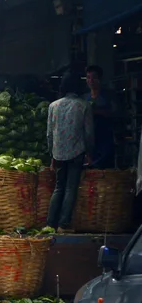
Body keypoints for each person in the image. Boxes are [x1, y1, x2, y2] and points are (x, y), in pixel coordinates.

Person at [47, 72, 94, 233]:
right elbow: (88, 133)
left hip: (58, 152)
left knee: (58, 187)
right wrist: (89, 151)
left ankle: (50, 223)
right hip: (77, 152)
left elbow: (49, 134)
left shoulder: (53, 106)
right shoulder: (84, 105)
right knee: (70, 188)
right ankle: (63, 224)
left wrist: (51, 154)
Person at [85, 65, 115, 169]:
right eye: (88, 78)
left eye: (94, 77)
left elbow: (115, 113)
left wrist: (96, 111)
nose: (91, 80)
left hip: (105, 138)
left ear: (100, 79)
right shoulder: (84, 98)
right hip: (89, 139)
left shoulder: (109, 95)